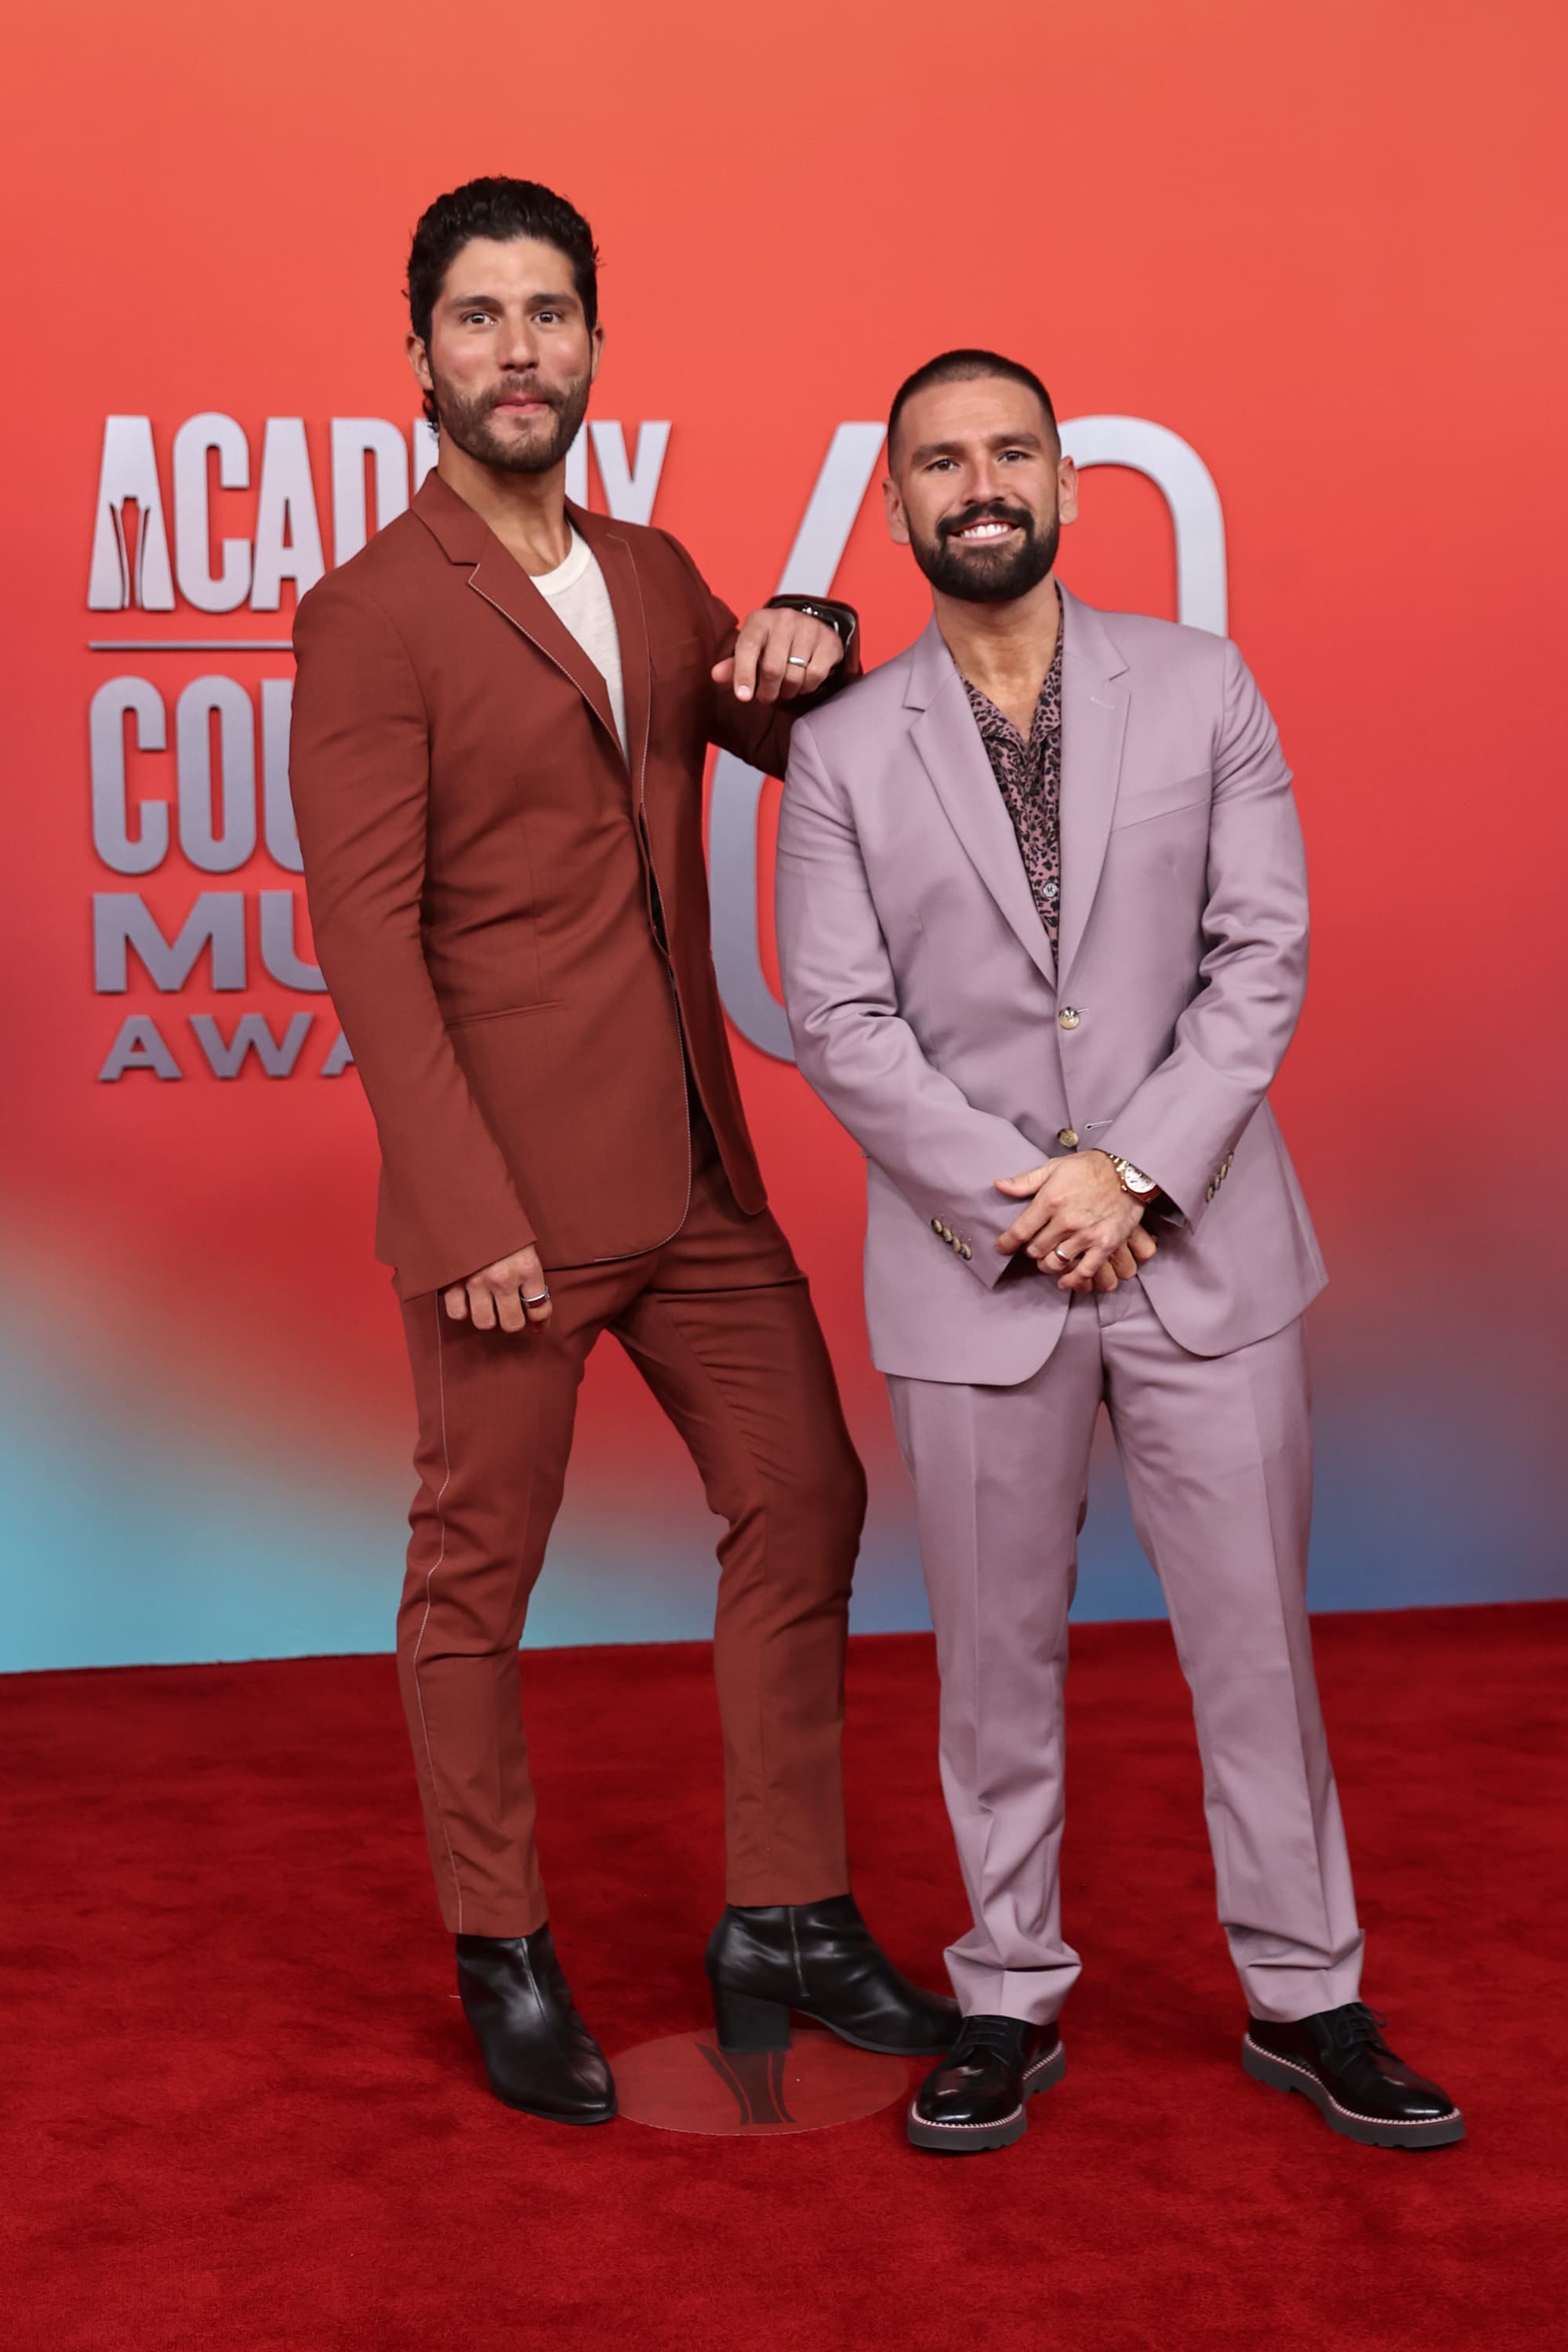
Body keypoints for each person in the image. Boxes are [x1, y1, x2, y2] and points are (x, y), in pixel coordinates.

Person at [288, 178, 955, 2126]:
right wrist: (461, 1206)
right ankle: (501, 1949)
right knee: (473, 1575)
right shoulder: (369, 614)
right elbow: (366, 936)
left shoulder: (653, 573)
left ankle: (785, 1913)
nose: (520, 351)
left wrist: (811, 637)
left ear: (595, 342)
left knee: (807, 1498)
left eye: (550, 313)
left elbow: (775, 728)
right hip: (508, 1197)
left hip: (696, 1174)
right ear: (418, 354)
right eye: (480, 317)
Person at [775, 348, 1461, 2154]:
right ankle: (1004, 1991)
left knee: (1255, 1650)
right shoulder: (841, 751)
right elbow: (839, 1022)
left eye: (1010, 452)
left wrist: (1133, 1176)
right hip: (974, 1272)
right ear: (900, 504)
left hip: (1210, 1256)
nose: (976, 483)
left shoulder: (1205, 684)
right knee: (990, 1666)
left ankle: (1308, 1992)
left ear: (1070, 487)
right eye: (939, 461)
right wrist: (1032, 1195)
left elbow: (1261, 957)